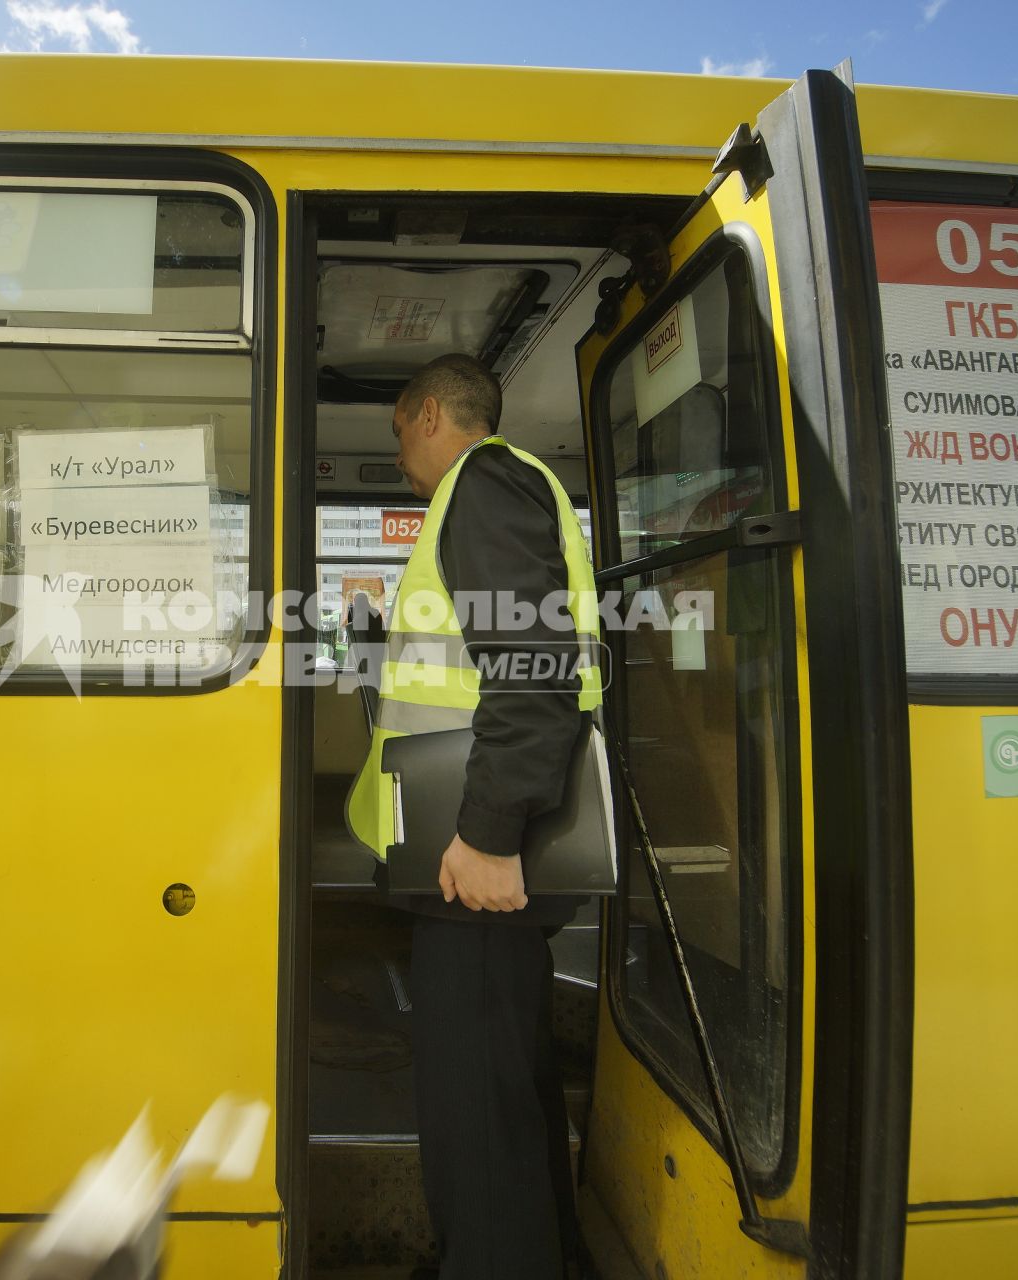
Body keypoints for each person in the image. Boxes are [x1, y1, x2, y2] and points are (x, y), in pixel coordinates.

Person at [344, 352, 602, 1280]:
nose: (403, 458)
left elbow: (533, 669)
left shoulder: (484, 486)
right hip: (474, 852)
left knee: (475, 1109)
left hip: (480, 860)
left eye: (398, 437)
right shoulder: (493, 496)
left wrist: (489, 836)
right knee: (505, 1088)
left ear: (423, 415)